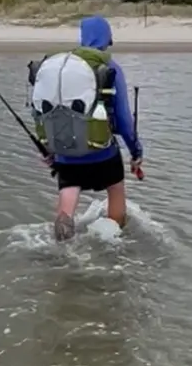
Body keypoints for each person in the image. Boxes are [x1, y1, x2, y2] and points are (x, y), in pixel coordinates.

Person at [28, 15, 144, 241]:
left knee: (67, 199)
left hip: (66, 154)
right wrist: (136, 151)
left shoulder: (61, 67)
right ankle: (114, 244)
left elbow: (45, 112)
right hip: (103, 152)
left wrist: (49, 148)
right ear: (106, 38)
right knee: (115, 188)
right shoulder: (110, 67)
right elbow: (123, 120)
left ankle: (61, 246)